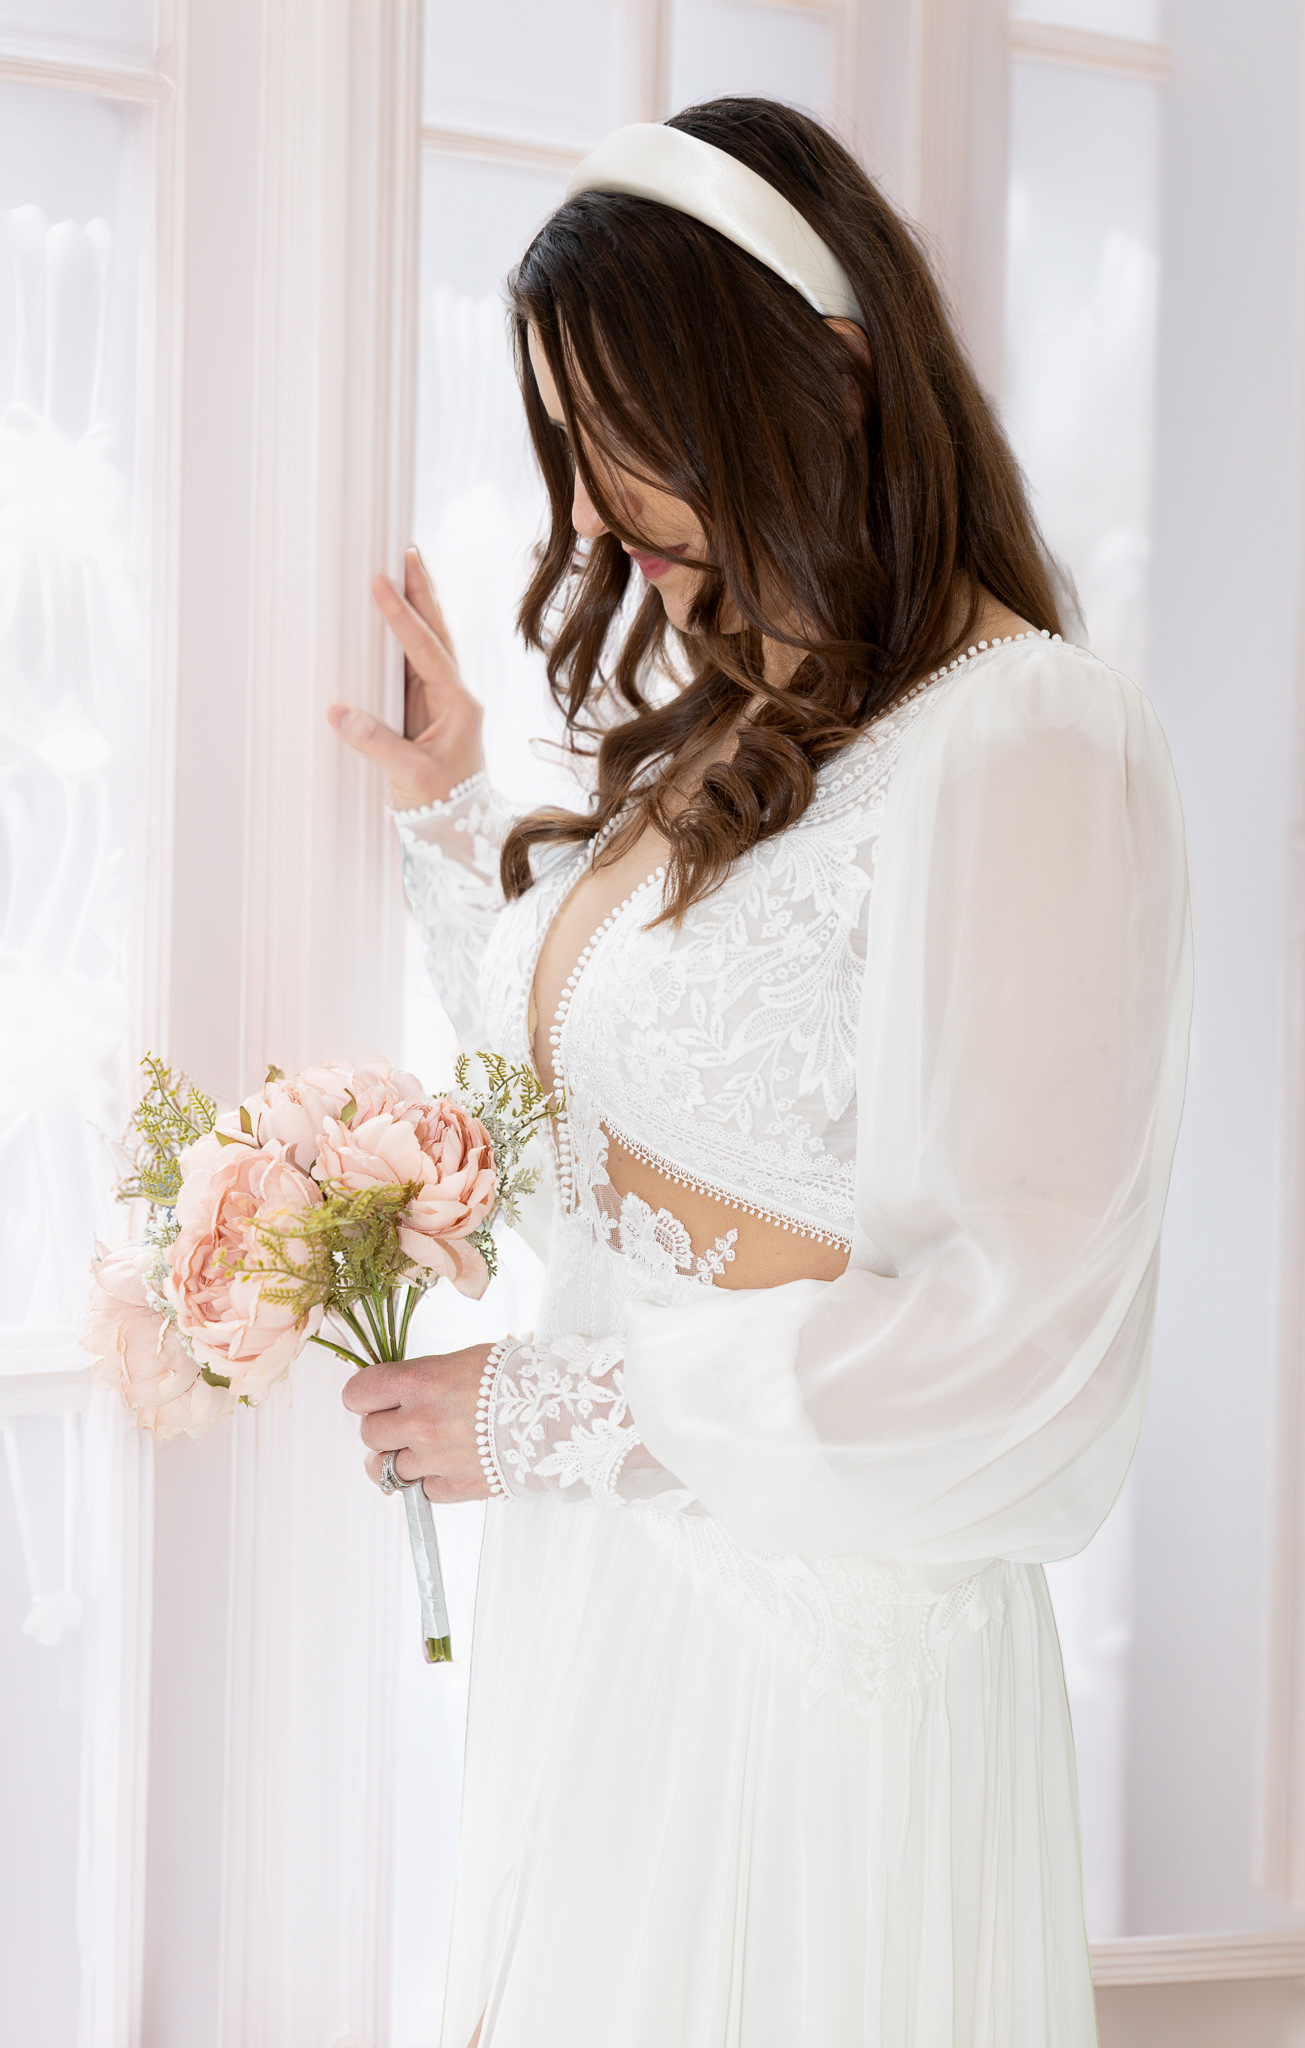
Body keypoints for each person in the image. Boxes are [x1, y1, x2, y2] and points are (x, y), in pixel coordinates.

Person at [329, 98, 1192, 2048]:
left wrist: (562, 1411)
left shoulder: (1027, 740)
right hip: (612, 1620)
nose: (585, 514)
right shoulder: (739, 723)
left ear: (828, 378)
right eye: (567, 443)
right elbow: (627, 1102)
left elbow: (1028, 1331)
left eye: (625, 436)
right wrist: (449, 806)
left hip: (811, 1675)